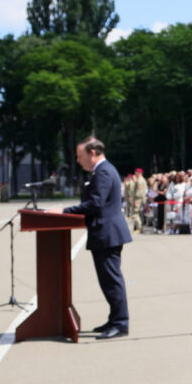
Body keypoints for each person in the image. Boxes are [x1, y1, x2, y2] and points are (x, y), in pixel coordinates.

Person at [56, 137, 132, 339]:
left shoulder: (104, 171)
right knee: (108, 280)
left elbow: (95, 204)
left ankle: (120, 323)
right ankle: (115, 319)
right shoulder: (102, 171)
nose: (78, 161)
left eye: (80, 156)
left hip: (108, 233)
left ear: (92, 153)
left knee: (111, 280)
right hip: (105, 233)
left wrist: (64, 211)